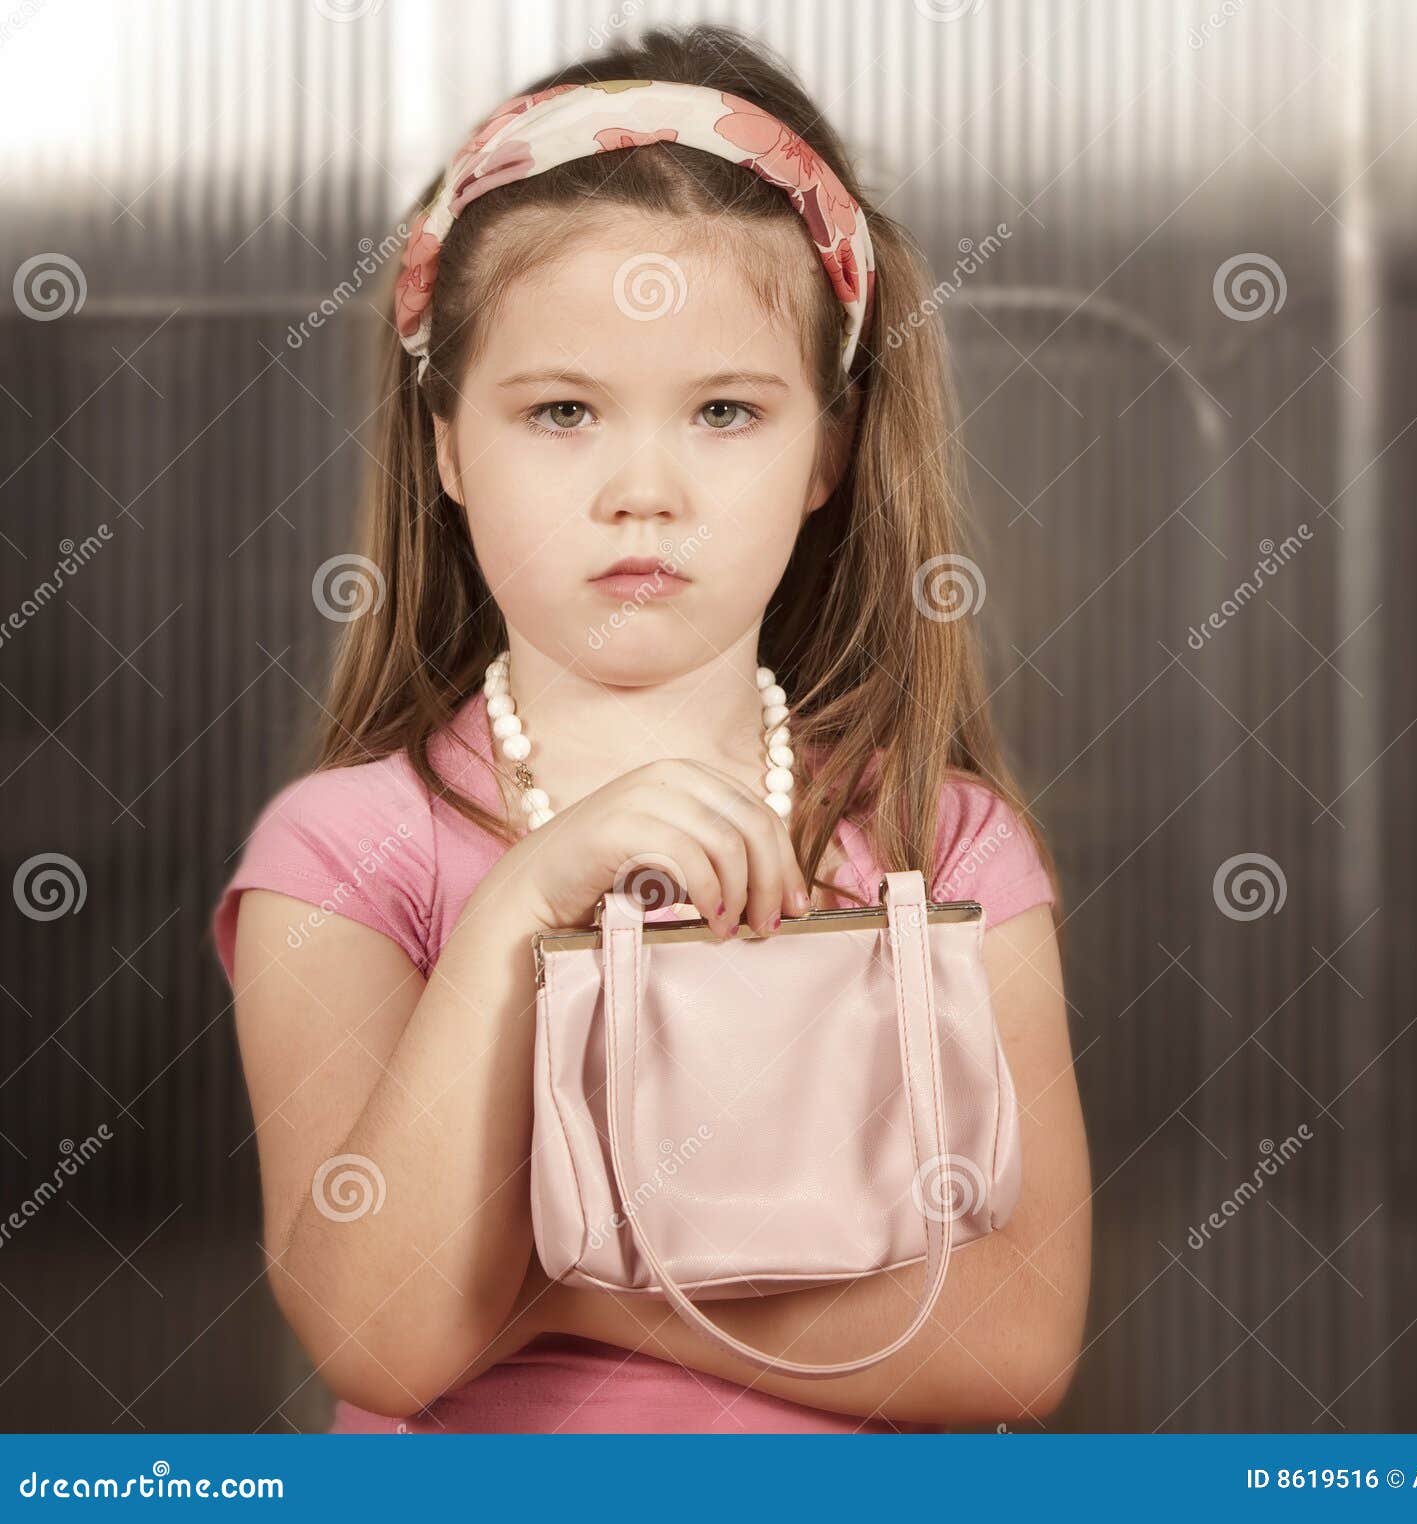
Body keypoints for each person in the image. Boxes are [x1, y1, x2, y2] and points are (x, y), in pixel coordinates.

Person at [211, 21, 1091, 1435]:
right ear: (444, 442)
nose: (643, 489)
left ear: (830, 450)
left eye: (726, 411)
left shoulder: (947, 842)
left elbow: (1013, 1341)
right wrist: (515, 916)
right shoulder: (344, 856)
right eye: (562, 408)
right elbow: (379, 1335)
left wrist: (563, 1276)